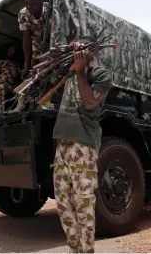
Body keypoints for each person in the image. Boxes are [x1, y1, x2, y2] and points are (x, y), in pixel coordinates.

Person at [52, 41, 113, 253]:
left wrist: (80, 72)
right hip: (62, 146)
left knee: (83, 205)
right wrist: (67, 51)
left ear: (92, 53)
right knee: (63, 204)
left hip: (83, 146)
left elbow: (89, 103)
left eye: (83, 50)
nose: (79, 52)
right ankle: (74, 249)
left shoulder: (101, 75)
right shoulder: (70, 72)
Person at [8, 0, 50, 114]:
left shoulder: (51, 10)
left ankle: (46, 101)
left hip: (53, 44)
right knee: (31, 72)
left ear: (41, 2)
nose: (29, 6)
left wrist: (48, 55)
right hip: (36, 44)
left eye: (33, 3)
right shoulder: (23, 14)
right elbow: (26, 39)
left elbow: (58, 33)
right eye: (27, 3)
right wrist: (27, 64)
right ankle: (21, 104)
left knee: (50, 72)